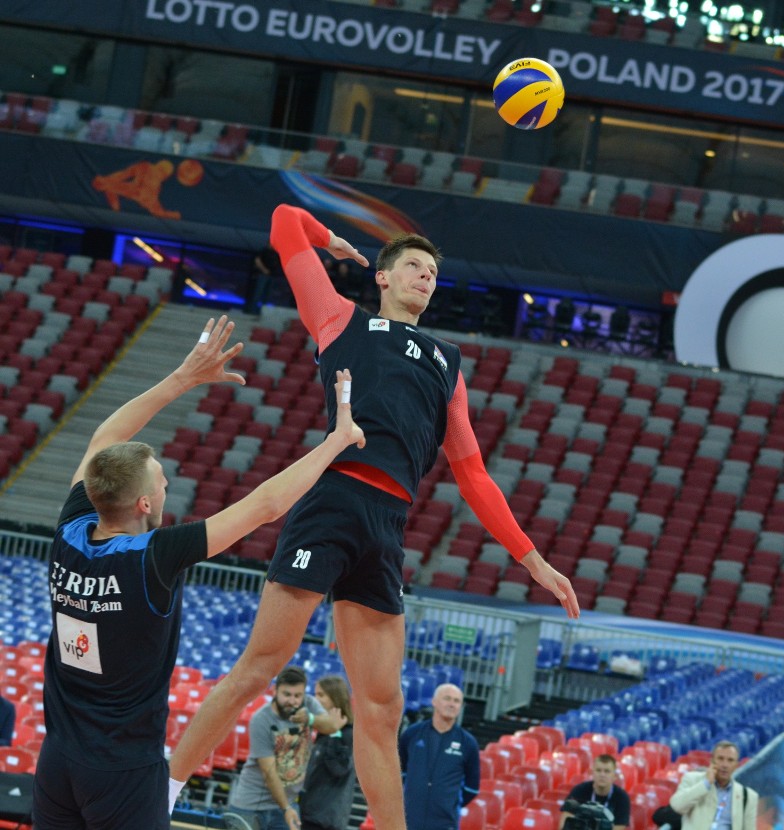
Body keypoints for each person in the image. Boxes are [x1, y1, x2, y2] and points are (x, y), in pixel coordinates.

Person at [168, 204, 580, 830]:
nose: (425, 277)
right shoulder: (340, 318)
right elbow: (280, 221)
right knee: (259, 669)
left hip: (387, 524)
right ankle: (160, 794)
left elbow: (473, 475)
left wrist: (534, 560)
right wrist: (329, 240)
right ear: (383, 277)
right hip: (331, 502)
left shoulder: (448, 362)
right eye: (413, 266)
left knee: (382, 709)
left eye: (433, 273)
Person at [31, 314, 365, 830]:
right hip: (122, 772)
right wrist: (337, 441)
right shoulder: (153, 555)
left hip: (56, 763)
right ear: (144, 501)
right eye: (161, 480)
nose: (168, 485)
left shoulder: (71, 530)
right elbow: (266, 505)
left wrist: (183, 377)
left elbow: (104, 436)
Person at [224, 666, 344, 830]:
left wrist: (309, 718)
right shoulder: (261, 719)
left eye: (297, 696)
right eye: (286, 694)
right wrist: (286, 808)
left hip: (286, 805)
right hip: (251, 806)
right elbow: (269, 772)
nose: (292, 701)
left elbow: (330, 726)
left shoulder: (308, 704)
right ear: (275, 691)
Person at [398, 683, 480, 830]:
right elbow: (399, 773)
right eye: (447, 698)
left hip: (445, 823)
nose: (452, 704)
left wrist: (447, 802)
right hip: (408, 819)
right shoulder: (412, 734)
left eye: (456, 701)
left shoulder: (468, 743)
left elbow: (472, 788)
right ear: (434, 701)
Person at [299, 675, 357, 830]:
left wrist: (334, 732)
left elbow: (339, 768)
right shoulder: (325, 732)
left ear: (335, 698)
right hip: (310, 812)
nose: (315, 699)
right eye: (315, 693)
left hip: (326, 819)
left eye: (321, 695)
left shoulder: (348, 734)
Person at [669, 741, 758, 830]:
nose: (725, 765)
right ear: (712, 761)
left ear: (736, 765)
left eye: (730, 760)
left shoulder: (748, 796)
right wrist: (706, 784)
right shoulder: (692, 779)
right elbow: (677, 806)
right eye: (720, 758)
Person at [560, 754, 631, 830]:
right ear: (592, 773)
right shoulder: (579, 791)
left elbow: (619, 827)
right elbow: (564, 825)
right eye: (598, 770)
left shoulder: (622, 798)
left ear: (614, 776)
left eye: (607, 771)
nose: (602, 775)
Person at [247, 243, 285, 314]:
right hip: (263, 275)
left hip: (273, 275)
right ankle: (252, 311)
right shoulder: (264, 251)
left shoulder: (276, 253)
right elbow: (257, 261)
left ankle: (262, 313)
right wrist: (264, 269)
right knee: (258, 293)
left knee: (267, 295)